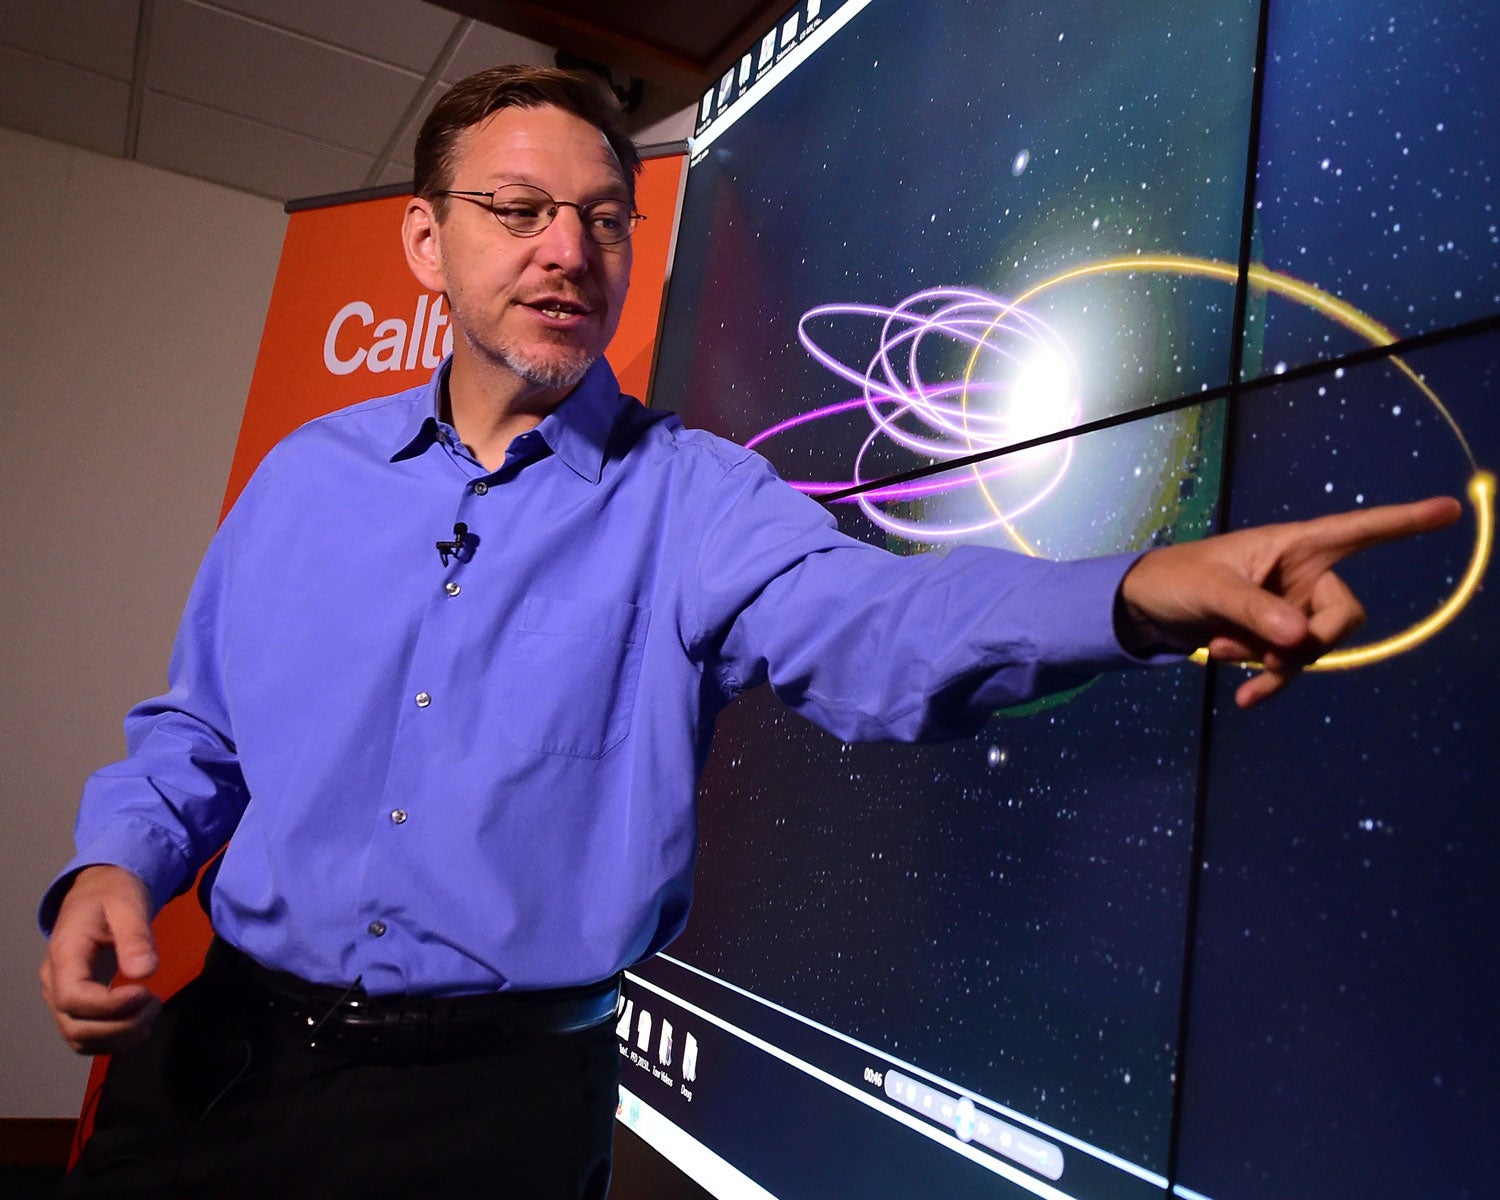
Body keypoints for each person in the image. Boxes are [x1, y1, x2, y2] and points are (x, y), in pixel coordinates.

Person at [38, 65, 1459, 1199]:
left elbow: (888, 627)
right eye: (518, 210)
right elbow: (199, 732)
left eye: (603, 219)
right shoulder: (305, 478)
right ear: (427, 240)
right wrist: (117, 863)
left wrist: (1142, 589)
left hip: (483, 1123)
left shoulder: (700, 500)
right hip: (215, 1064)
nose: (568, 252)